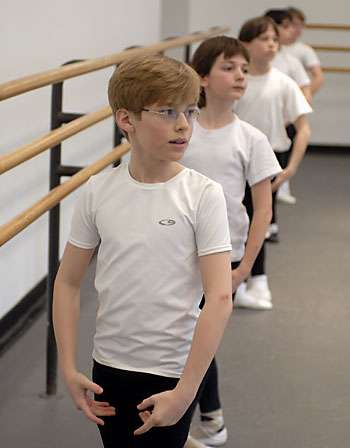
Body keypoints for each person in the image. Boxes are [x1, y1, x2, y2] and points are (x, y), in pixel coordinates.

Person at [52, 54, 234, 448]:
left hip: (172, 369)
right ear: (126, 120)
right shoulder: (98, 191)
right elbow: (67, 281)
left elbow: (219, 298)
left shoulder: (203, 194)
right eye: (167, 112)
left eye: (190, 111)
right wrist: (68, 367)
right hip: (110, 366)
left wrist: (186, 393)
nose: (184, 124)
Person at [181, 36, 281, 447]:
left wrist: (245, 268)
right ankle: (211, 418)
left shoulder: (251, 139)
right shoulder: (181, 129)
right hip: (175, 251)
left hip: (223, 257)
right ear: (202, 77)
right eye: (228, 67)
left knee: (195, 336)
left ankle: (206, 420)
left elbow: (263, 210)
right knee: (186, 335)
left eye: (243, 68)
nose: (240, 75)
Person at [234, 16, 312, 308]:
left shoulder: (284, 83)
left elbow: (303, 129)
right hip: (235, 157)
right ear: (245, 44)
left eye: (274, 40)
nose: (270, 45)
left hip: (271, 160)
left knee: (259, 219)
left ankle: (257, 279)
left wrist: (290, 168)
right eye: (264, 39)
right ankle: (239, 279)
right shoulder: (236, 82)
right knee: (235, 219)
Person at [264, 8, 312, 212]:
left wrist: (293, 113)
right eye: (286, 26)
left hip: (282, 127)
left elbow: (306, 90)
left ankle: (270, 221)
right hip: (257, 129)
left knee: (273, 176)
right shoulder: (246, 65)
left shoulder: (290, 62)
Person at [286, 6, 324, 96]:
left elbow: (319, 77)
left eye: (301, 25)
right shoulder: (272, 48)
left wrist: (303, 96)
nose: (298, 29)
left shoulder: (305, 50)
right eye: (294, 24)